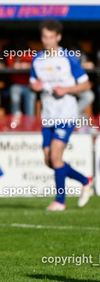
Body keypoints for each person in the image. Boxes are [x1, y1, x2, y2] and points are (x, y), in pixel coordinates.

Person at [30, 19, 94, 211]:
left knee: (56, 156)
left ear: (58, 37)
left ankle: (60, 201)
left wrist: (67, 89)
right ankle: (85, 180)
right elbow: (33, 83)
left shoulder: (69, 58)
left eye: (51, 37)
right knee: (49, 161)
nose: (47, 41)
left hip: (66, 113)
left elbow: (86, 84)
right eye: (44, 37)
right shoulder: (37, 59)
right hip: (48, 115)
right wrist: (35, 87)